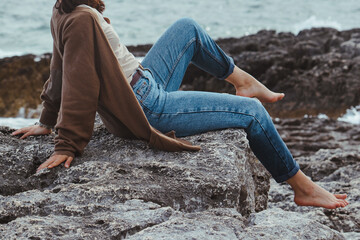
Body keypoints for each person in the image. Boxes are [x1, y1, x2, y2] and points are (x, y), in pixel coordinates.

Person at [12, 0, 348, 209]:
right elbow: (76, 79)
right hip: (147, 106)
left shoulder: (65, 9)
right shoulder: (79, 19)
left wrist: (45, 118)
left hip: (144, 81)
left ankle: (243, 81)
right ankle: (302, 188)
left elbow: (57, 67)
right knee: (253, 114)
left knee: (187, 28)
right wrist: (67, 140)